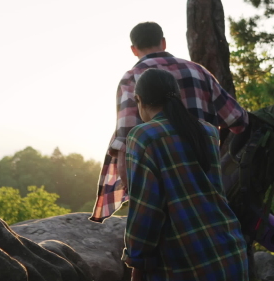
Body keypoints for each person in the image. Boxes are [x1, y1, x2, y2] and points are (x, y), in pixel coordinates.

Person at [122, 68, 250, 281]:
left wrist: (136, 276)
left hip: (182, 266)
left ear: (140, 101)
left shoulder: (144, 136)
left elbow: (145, 214)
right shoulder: (205, 131)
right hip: (221, 250)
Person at [90, 21, 248, 223]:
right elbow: (238, 120)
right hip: (207, 187)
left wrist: (132, 188)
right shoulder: (199, 72)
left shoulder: (133, 78)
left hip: (162, 194)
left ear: (133, 49)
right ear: (163, 43)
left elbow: (125, 139)